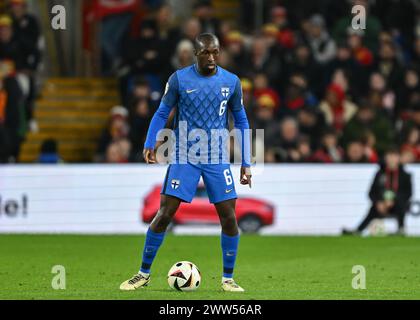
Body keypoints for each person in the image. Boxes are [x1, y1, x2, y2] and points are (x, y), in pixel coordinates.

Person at [120, 33, 251, 292]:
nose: (212, 57)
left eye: (216, 52)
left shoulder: (232, 82)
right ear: (196, 54)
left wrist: (246, 162)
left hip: (216, 158)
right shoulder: (179, 79)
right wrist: (150, 143)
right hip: (184, 156)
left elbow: (242, 120)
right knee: (165, 214)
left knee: (229, 218)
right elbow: (161, 112)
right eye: (206, 53)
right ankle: (143, 274)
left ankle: (228, 279)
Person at [343, 147, 412, 235]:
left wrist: (394, 201)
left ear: (398, 158)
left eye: (394, 157)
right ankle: (358, 231)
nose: (392, 159)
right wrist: (378, 202)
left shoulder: (405, 175)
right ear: (386, 158)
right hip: (381, 205)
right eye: (389, 156)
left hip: (397, 204)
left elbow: (408, 194)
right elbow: (371, 192)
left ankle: (401, 229)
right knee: (373, 209)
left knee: (402, 205)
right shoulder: (379, 173)